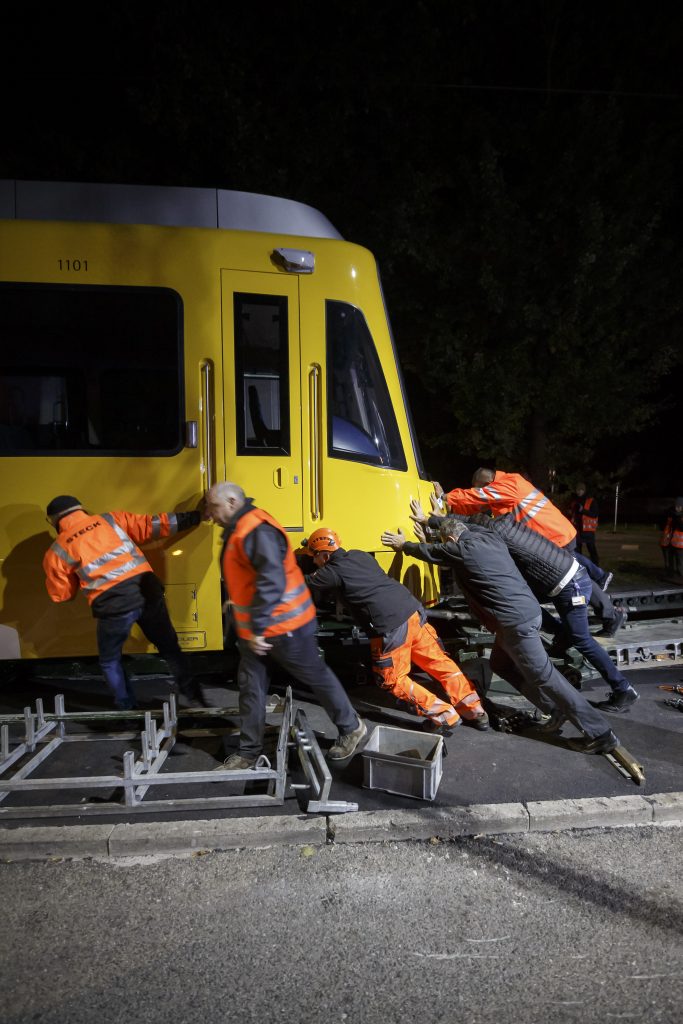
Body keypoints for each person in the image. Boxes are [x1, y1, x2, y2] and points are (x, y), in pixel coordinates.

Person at [381, 517, 619, 754]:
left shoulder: (465, 549)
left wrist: (404, 545)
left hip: (516, 623)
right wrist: (433, 521)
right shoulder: (487, 537)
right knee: (500, 664)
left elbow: (433, 552)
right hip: (524, 614)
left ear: (452, 539)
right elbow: (452, 539)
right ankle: (555, 710)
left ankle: (599, 733)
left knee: (547, 677)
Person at [204, 482, 366, 769]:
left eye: (213, 507)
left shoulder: (255, 530)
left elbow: (272, 581)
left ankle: (351, 726)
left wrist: (257, 628)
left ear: (231, 502)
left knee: (315, 675)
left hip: (285, 625)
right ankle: (248, 752)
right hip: (263, 628)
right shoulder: (244, 526)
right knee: (251, 686)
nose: (210, 514)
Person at [411, 511, 639, 714]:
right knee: (529, 607)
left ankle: (623, 689)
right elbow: (466, 523)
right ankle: (561, 641)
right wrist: (432, 520)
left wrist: (429, 528)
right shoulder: (499, 525)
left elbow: (463, 532)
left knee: (581, 638)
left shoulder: (491, 536)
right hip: (561, 581)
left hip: (570, 586)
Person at [303, 527, 488, 733]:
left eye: (314, 557)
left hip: (390, 626)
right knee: (437, 662)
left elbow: (302, 583)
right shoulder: (359, 554)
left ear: (325, 554)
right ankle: (475, 710)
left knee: (391, 679)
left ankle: (443, 715)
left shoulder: (330, 572)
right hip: (412, 611)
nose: (313, 562)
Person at [413, 468, 625, 638]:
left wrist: (446, 498)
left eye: (480, 488)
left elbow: (477, 497)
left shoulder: (509, 484)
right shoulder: (506, 491)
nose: (481, 492)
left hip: (554, 538)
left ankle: (607, 616)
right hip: (553, 536)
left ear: (487, 483)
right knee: (570, 580)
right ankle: (596, 613)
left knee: (570, 580)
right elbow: (476, 510)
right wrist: (448, 511)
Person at [43, 495, 204, 711]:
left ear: (54, 521)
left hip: (114, 607)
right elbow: (153, 525)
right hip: (147, 593)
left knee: (110, 660)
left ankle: (128, 709)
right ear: (81, 509)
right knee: (170, 648)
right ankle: (194, 696)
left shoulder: (57, 551)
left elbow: (61, 595)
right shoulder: (110, 520)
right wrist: (195, 517)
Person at [571, 484, 600, 564]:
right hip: (577, 529)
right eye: (577, 490)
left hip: (588, 529)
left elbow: (595, 514)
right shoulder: (575, 501)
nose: (579, 492)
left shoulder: (591, 501)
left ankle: (595, 564)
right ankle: (579, 565)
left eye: (581, 490)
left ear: (584, 490)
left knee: (591, 548)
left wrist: (583, 510)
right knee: (577, 549)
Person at [659, 498, 683, 579]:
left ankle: (680, 576)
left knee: (680, 561)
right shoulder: (670, 514)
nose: (677, 508)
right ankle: (670, 574)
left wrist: (678, 519)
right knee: (670, 560)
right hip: (669, 542)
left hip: (680, 544)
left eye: (679, 506)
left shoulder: (679, 516)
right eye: (676, 506)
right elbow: (663, 526)